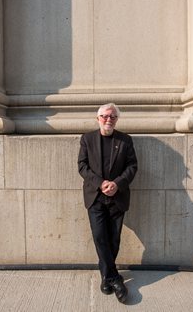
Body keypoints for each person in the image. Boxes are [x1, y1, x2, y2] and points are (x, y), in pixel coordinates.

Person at [78, 103, 138, 303]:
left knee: (114, 239)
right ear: (98, 118)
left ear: (117, 119)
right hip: (95, 197)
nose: (108, 119)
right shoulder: (87, 139)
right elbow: (82, 166)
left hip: (117, 197)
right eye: (104, 116)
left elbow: (132, 166)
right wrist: (101, 183)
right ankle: (114, 277)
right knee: (99, 237)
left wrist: (117, 184)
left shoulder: (125, 140)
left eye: (112, 117)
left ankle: (106, 277)